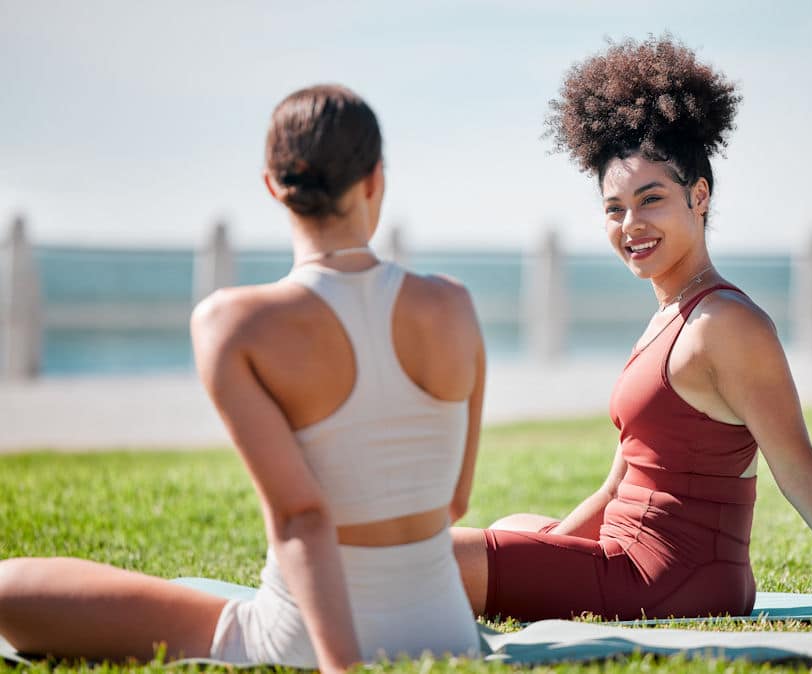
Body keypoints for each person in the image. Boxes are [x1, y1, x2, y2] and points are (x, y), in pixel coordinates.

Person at [451, 35, 812, 623]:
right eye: (614, 208)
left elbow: (798, 467)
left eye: (650, 199)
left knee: (435, 560)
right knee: (511, 528)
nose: (630, 224)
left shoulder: (724, 322)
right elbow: (615, 490)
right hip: (631, 556)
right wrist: (552, 546)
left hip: (668, 579)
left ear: (698, 195)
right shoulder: (669, 316)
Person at [0, 84, 485, 672]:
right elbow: (454, 501)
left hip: (310, 638)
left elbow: (301, 518)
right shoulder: (455, 304)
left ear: (273, 187)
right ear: (375, 179)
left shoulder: (231, 323)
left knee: (10, 588)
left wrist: (342, 666)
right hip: (446, 627)